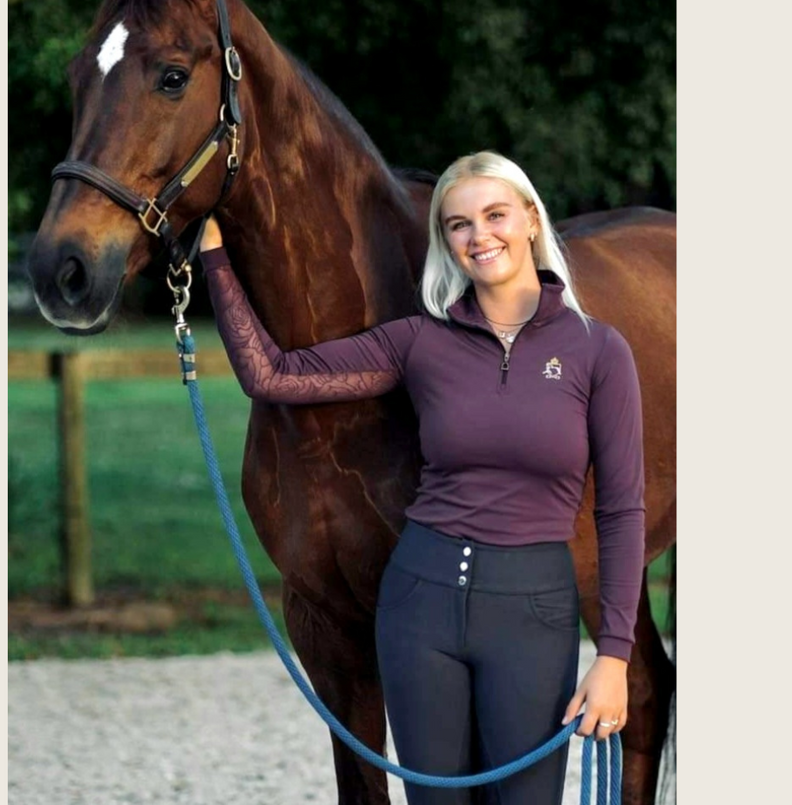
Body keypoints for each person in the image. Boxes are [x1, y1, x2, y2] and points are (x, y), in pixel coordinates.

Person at [197, 151, 645, 805]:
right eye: (458, 224)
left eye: (495, 215)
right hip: (420, 609)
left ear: (530, 219)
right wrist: (213, 259)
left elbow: (623, 511)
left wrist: (613, 656)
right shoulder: (418, 343)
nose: (479, 235)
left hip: (533, 611)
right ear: (445, 242)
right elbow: (271, 376)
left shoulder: (596, 349)